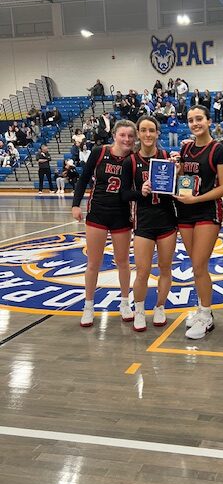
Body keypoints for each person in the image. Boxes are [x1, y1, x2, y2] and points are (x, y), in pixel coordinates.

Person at [71, 120, 136, 328]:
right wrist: (75, 205)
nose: (126, 139)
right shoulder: (99, 152)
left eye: (130, 136)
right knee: (93, 262)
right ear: (114, 135)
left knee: (123, 261)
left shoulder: (134, 158)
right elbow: (82, 180)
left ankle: (125, 302)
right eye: (122, 135)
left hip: (121, 215)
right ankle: (88, 306)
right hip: (97, 213)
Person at [175, 105, 223, 339]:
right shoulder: (185, 147)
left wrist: (196, 199)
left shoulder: (218, 149)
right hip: (185, 212)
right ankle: (201, 310)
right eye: (191, 120)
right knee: (196, 266)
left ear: (209, 121)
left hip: (208, 211)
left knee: (199, 264)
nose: (195, 123)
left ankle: (206, 316)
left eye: (199, 119)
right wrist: (176, 171)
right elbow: (183, 179)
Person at [120, 116, 177, 332]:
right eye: (143, 130)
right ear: (138, 133)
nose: (147, 134)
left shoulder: (167, 158)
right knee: (142, 271)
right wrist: (140, 192)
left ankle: (160, 307)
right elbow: (124, 194)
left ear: (157, 133)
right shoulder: (130, 162)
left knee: (165, 268)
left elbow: (177, 190)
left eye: (151, 130)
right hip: (143, 223)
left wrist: (177, 172)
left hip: (167, 222)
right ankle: (140, 310)